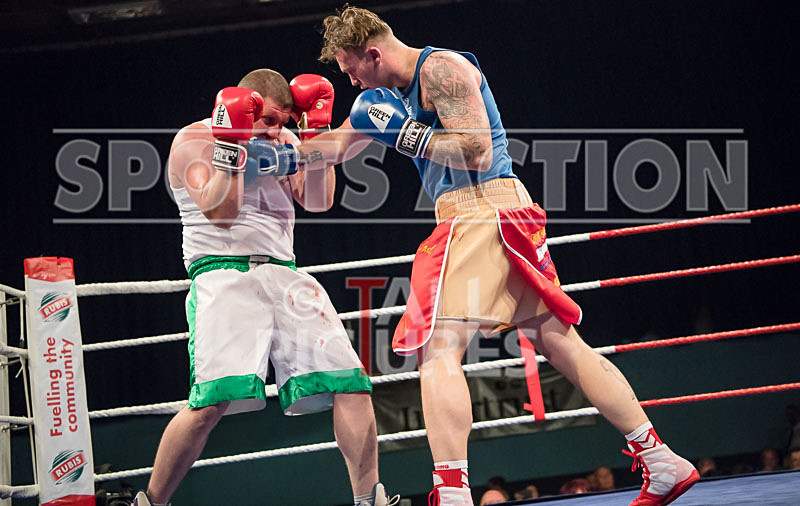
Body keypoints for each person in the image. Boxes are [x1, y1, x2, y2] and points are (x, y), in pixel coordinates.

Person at [255, 6, 699, 505]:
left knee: (436, 350)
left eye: (350, 67)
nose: (349, 80)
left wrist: (407, 135)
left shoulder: (442, 69)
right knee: (560, 343)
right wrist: (272, 149)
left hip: (481, 210)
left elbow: (477, 151)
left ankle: (452, 492)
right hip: (495, 217)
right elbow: (334, 148)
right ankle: (662, 461)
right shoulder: (381, 100)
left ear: (371, 53)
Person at [132, 69, 396, 506]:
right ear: (246, 104)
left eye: (286, 121)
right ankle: (151, 502)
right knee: (209, 405)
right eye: (270, 120)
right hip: (223, 274)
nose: (277, 130)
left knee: (351, 382)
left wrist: (316, 132)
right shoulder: (194, 140)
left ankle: (369, 499)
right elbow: (221, 213)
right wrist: (231, 144)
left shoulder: (287, 140)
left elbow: (318, 200)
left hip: (285, 272)